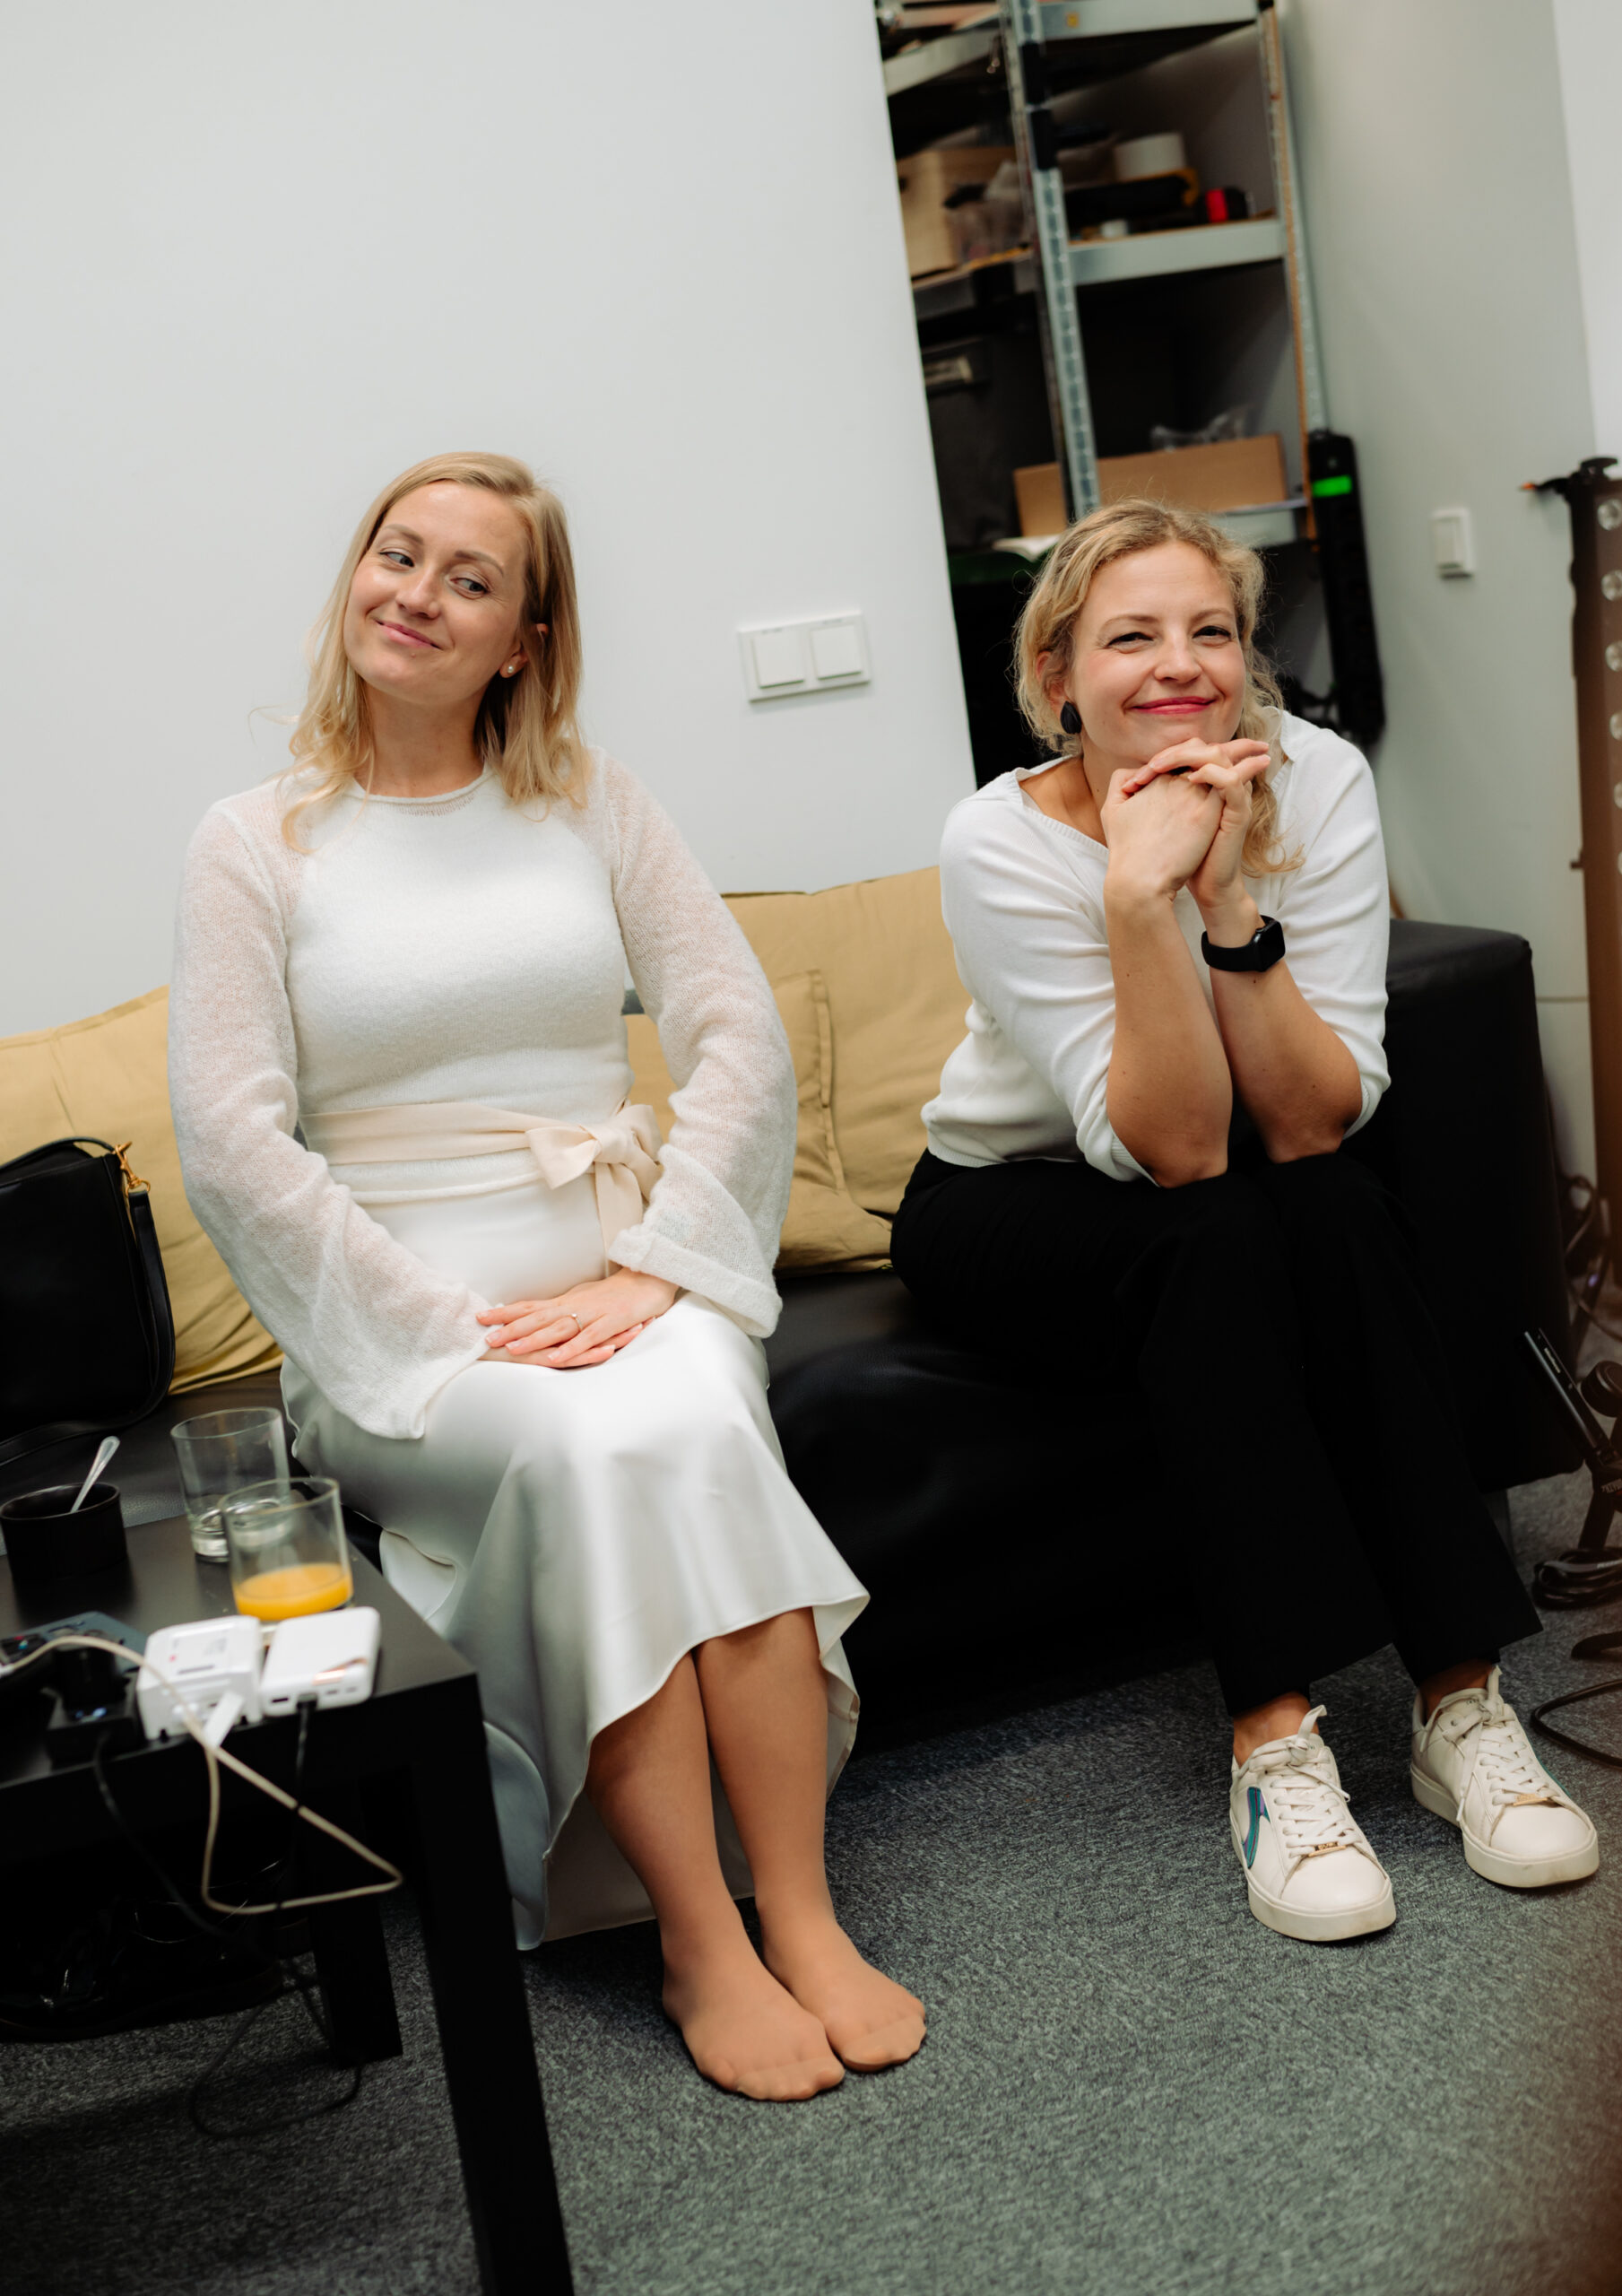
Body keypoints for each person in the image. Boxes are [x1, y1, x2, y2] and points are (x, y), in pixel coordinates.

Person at [169, 450, 924, 2095]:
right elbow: (230, 1145)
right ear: (356, 574)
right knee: (592, 1453)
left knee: (693, 1424)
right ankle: (697, 1940)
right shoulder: (253, 844)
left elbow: (736, 1034)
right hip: (402, 1344)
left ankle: (798, 1914)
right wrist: (443, 1328)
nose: (416, 595)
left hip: (623, 1286)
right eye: (398, 555)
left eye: (470, 578)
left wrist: (657, 1267)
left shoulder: (589, 801)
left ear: (524, 636)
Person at [889, 497, 1598, 1944]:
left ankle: (1459, 1703)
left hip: (1241, 1168)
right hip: (1013, 1197)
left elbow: (1310, 1120)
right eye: (1128, 637)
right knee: (1214, 1237)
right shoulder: (995, 839)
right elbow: (1173, 1149)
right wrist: (1131, 895)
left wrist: (1224, 904)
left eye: (1208, 630)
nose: (1177, 664)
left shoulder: (1315, 777)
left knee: (1331, 1205)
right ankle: (1272, 1746)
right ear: (1054, 677)